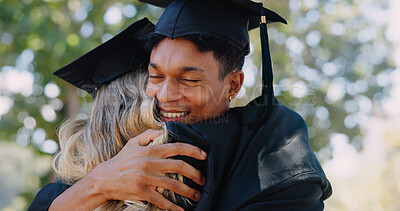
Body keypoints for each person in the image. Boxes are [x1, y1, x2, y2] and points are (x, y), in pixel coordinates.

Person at [30, 0, 332, 210]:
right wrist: (99, 184)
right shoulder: (130, 152)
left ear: (233, 85)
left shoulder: (275, 152)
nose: (164, 95)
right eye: (156, 75)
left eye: (189, 80)